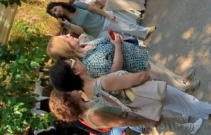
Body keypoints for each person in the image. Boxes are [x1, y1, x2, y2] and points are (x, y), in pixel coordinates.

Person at [48, 58, 211, 135]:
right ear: (75, 71)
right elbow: (139, 77)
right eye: (73, 62)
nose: (77, 61)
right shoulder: (101, 83)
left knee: (178, 104)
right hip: (147, 92)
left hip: (141, 103)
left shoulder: (91, 96)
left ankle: (206, 113)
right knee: (183, 100)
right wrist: (143, 76)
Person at [47, 32, 198, 91]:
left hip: (134, 53)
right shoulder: (86, 63)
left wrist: (116, 40)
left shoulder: (84, 43)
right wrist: (118, 46)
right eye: (65, 38)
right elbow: (113, 71)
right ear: (65, 47)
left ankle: (180, 78)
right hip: (132, 65)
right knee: (160, 76)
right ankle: (183, 88)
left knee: (160, 68)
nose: (68, 35)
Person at [46, 0, 152, 40]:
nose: (56, 12)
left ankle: (145, 31)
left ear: (59, 4)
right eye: (54, 14)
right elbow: (81, 31)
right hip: (98, 33)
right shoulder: (66, 23)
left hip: (103, 20)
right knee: (121, 39)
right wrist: (68, 24)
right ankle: (139, 43)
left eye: (55, 9)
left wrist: (107, 15)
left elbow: (93, 9)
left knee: (126, 26)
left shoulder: (76, 5)